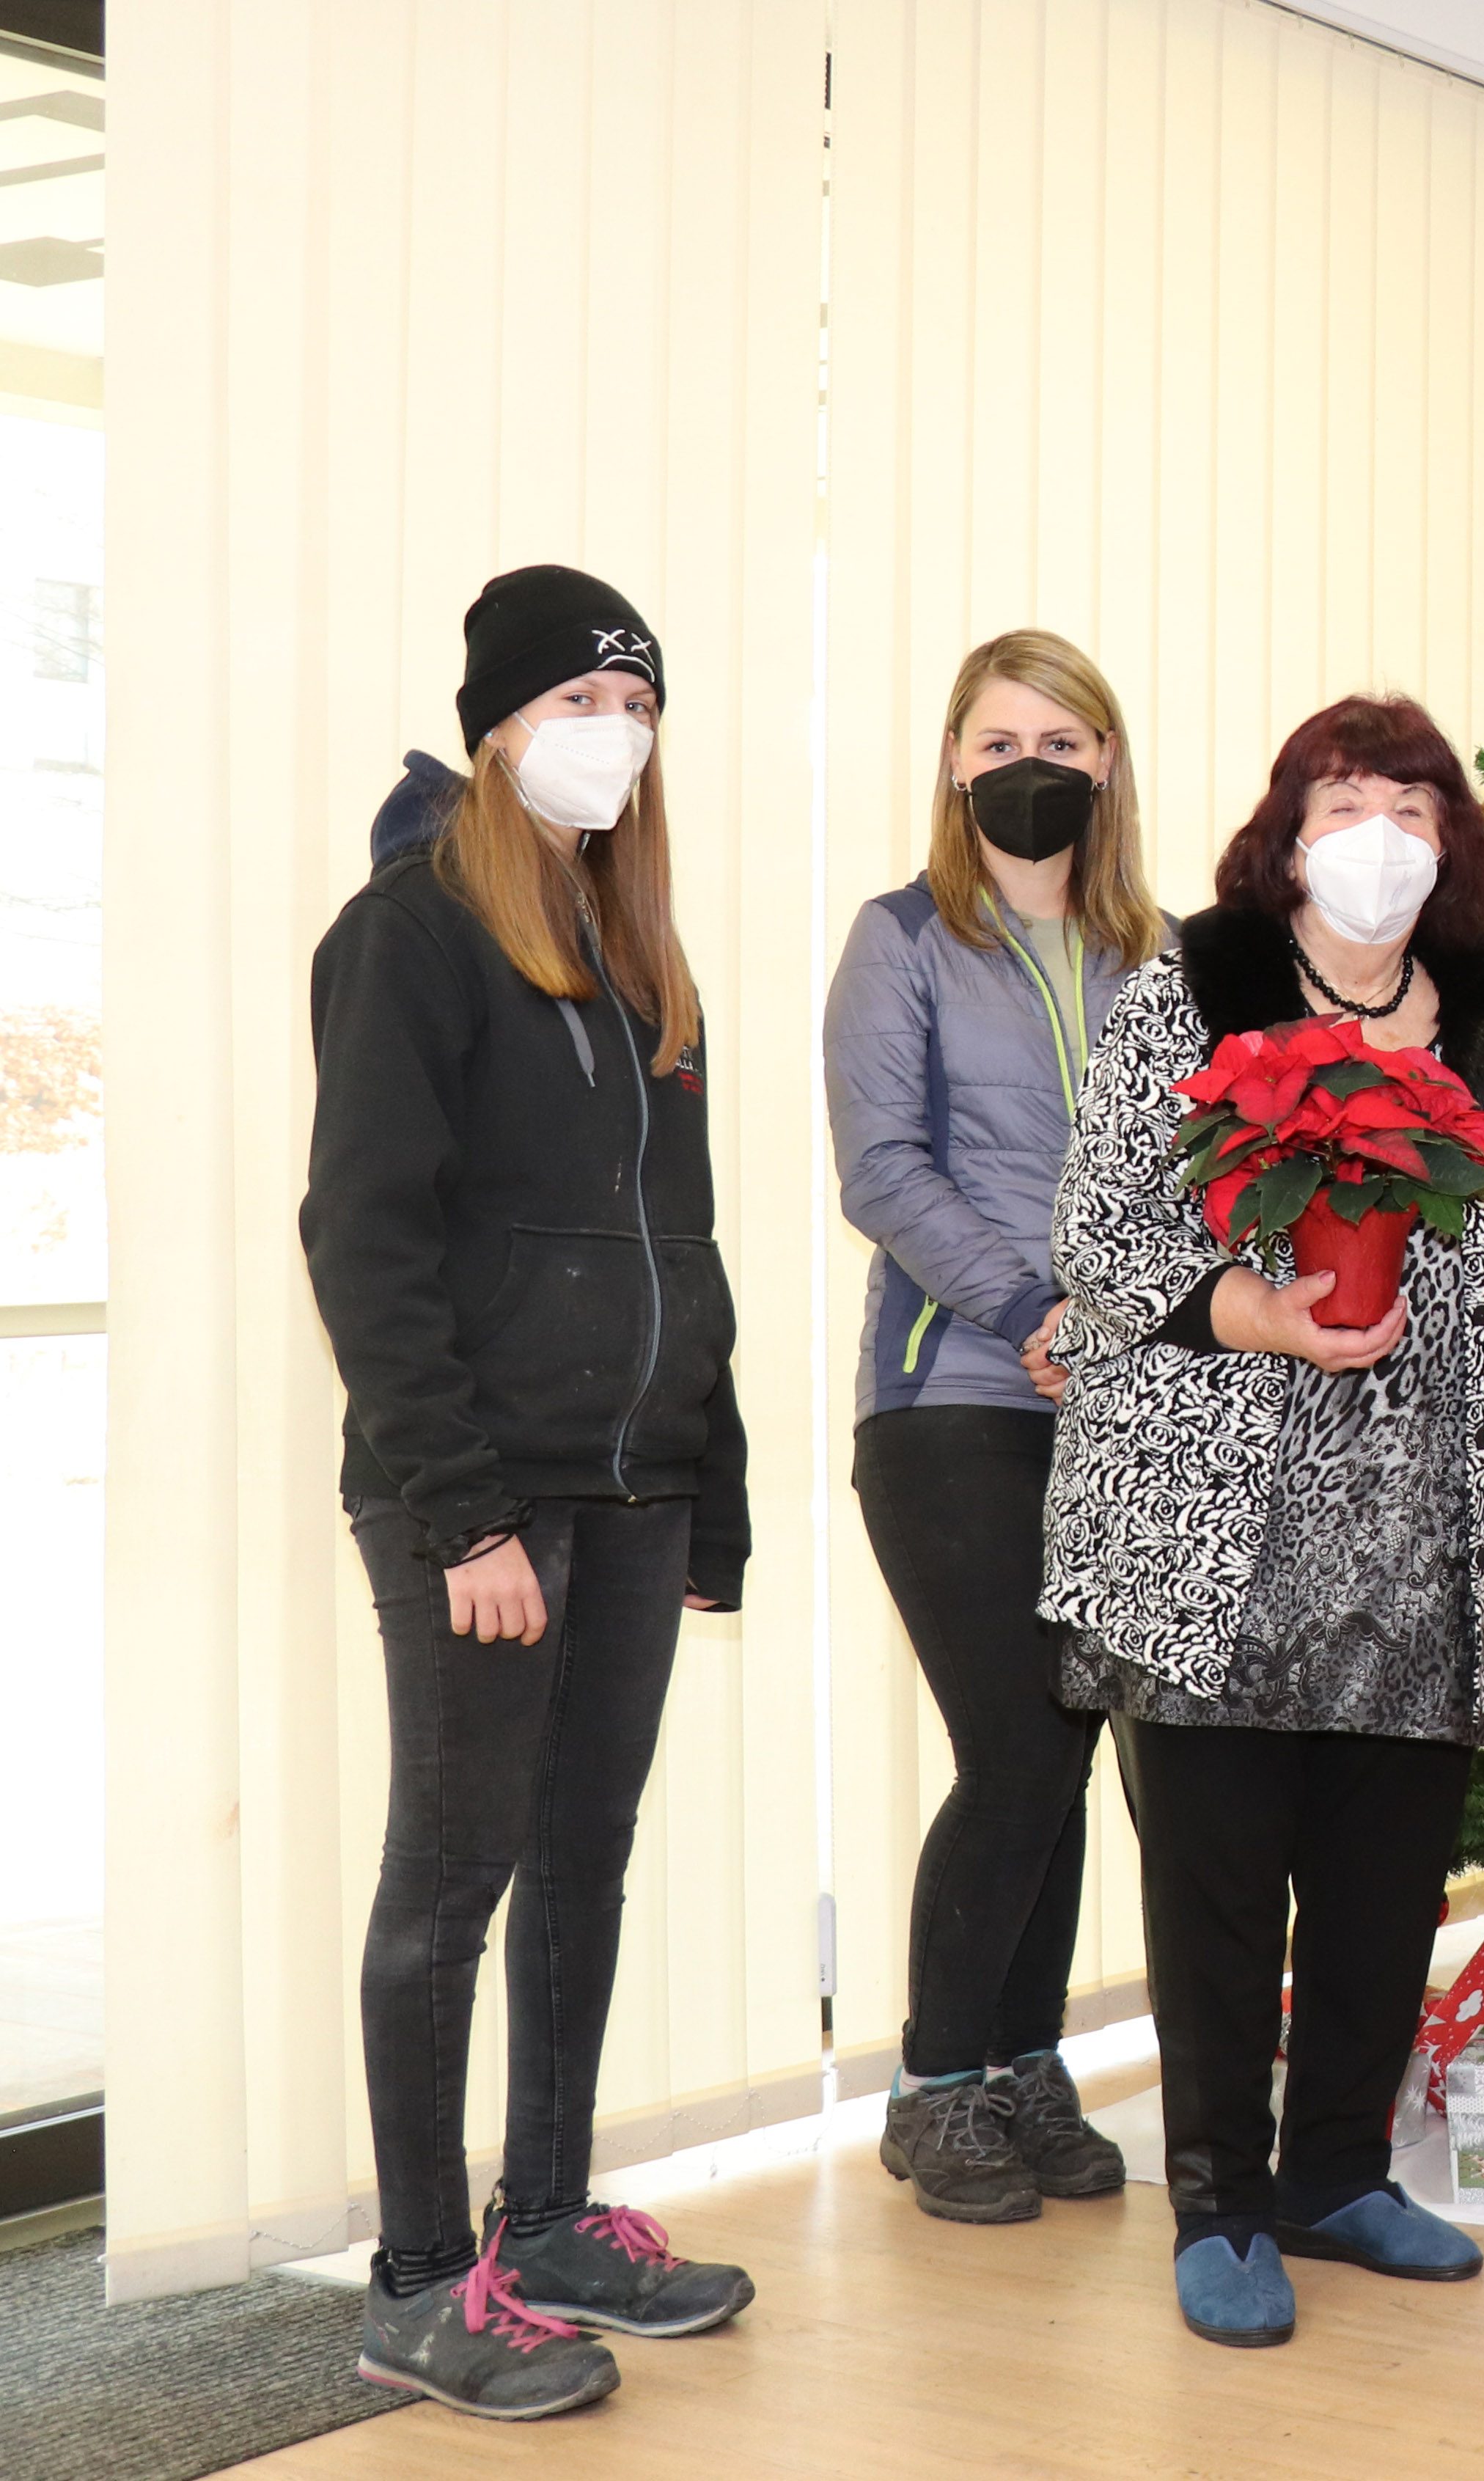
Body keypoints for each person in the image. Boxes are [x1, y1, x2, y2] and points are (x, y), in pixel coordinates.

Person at [1039, 693, 1484, 2348]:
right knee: (1221, 1885)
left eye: (1411, 805)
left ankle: (1340, 2174)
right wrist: (1254, 1311)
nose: (1375, 836)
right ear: (1285, 835)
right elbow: (1098, 1225)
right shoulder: (1200, 988)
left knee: (1382, 1881)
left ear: (1450, 840)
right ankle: (1222, 2204)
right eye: (1340, 802)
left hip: (1429, 1512)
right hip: (1214, 1507)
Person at [303, 566, 756, 2421]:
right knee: (453, 1883)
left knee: (583, 1866)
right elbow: (365, 1242)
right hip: (481, 1495)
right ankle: (421, 2282)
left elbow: (684, 1239)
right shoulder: (407, 933)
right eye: (579, 701)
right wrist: (464, 1516)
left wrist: (713, 1486)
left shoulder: (636, 946)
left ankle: (549, 2220)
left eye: (637, 707)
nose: (613, 736)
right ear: (497, 725)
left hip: (638, 1485)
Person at [828, 629, 1167, 2224]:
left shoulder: (1160, 962)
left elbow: (1203, 1174)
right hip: (949, 1393)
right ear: (955, 764)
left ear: (1106, 766)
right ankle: (933, 2084)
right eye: (998, 737)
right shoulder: (899, 941)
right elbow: (882, 1168)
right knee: (1018, 1741)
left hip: (1125, 1405)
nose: (1031, 765)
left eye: (1065, 738)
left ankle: (1024, 2066)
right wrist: (1036, 1311)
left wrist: (1145, 1329)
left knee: (1068, 1740)